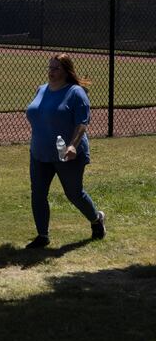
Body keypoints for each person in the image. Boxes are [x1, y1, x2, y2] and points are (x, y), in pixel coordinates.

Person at [24, 54, 106, 249]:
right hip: (39, 152)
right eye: (50, 68)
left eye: (56, 69)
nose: (51, 72)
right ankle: (42, 235)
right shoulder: (41, 89)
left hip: (67, 154)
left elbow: (82, 123)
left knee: (74, 194)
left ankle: (96, 220)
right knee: (38, 193)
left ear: (66, 71)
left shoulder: (76, 92)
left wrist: (72, 145)